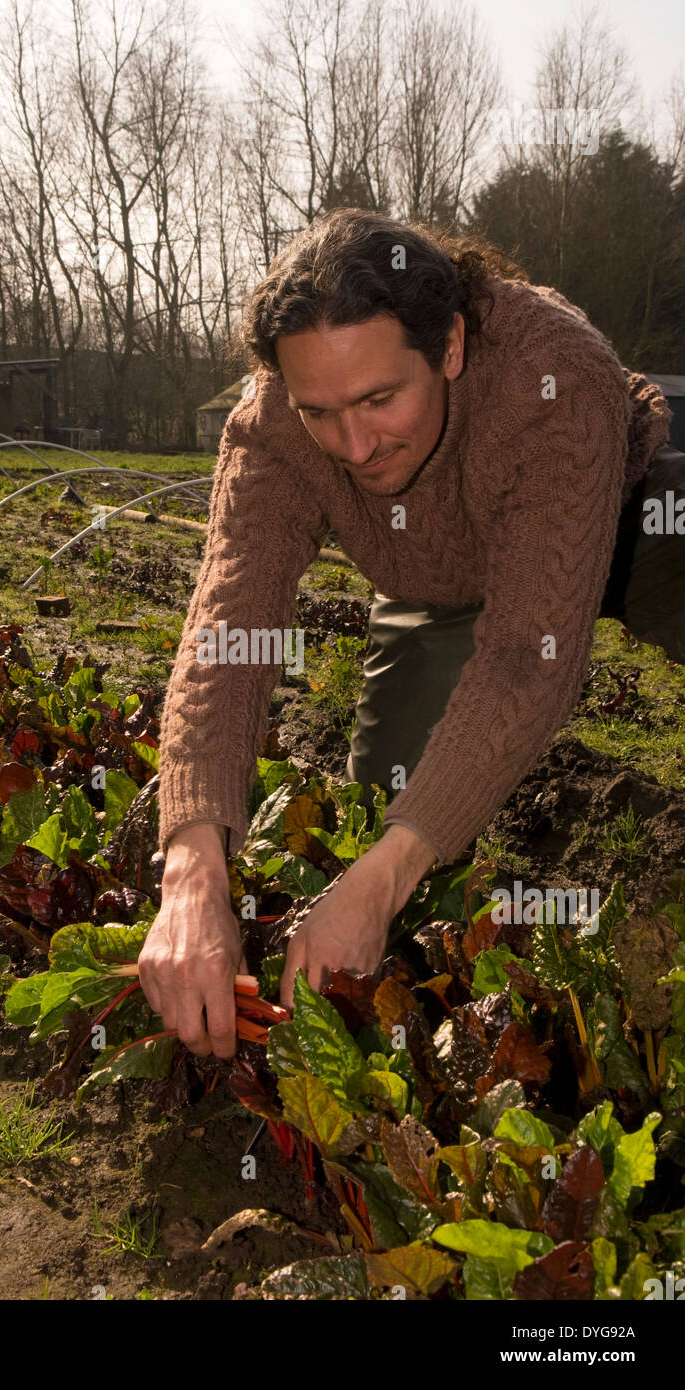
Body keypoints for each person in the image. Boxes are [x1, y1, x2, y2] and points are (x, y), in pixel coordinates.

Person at [137, 208, 683, 1060]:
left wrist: (385, 877)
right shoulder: (277, 420)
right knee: (382, 817)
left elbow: (524, 658)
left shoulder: (551, 375)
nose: (353, 446)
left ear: (452, 347)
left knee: (390, 866)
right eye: (321, 412)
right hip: (433, 579)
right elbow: (228, 630)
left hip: (617, 523)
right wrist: (192, 867)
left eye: (380, 399)